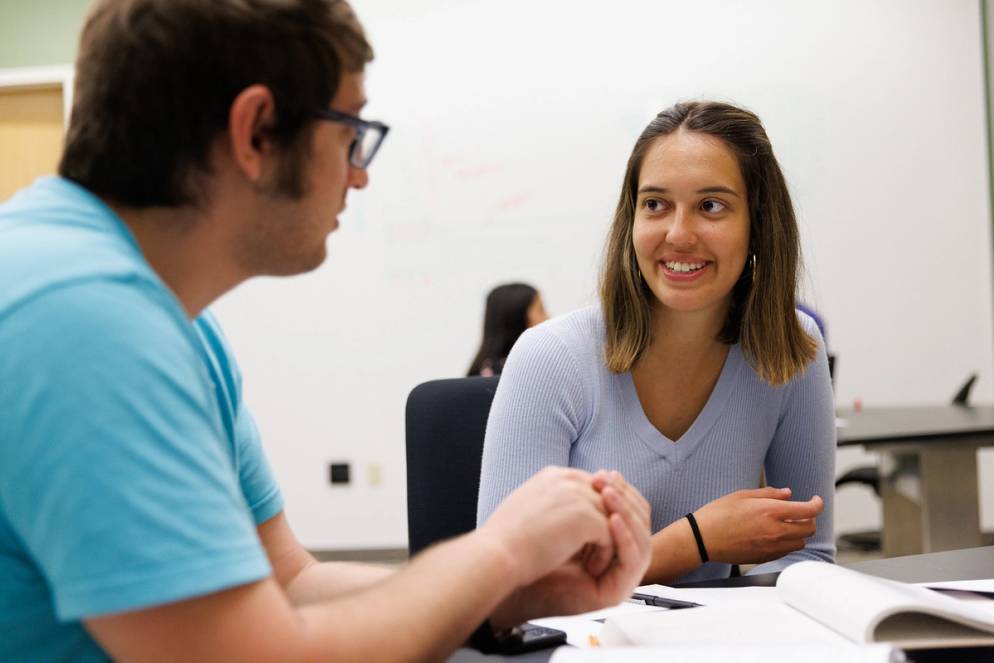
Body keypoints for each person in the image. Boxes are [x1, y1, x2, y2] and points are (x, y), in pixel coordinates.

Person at [0, 2, 653, 660]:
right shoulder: (83, 318)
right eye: (350, 133)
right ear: (256, 131)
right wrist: (502, 549)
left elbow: (292, 581)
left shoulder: (174, 321)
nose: (360, 173)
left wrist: (510, 591)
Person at [477, 101, 835, 584]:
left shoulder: (793, 346)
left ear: (759, 224)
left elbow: (809, 555)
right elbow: (504, 581)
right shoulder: (551, 357)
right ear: (631, 221)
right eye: (655, 204)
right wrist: (695, 542)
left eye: (711, 206)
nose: (678, 233)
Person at [468, 282, 549, 376]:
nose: (548, 317)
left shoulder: (484, 369)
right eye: (541, 310)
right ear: (517, 317)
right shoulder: (516, 372)